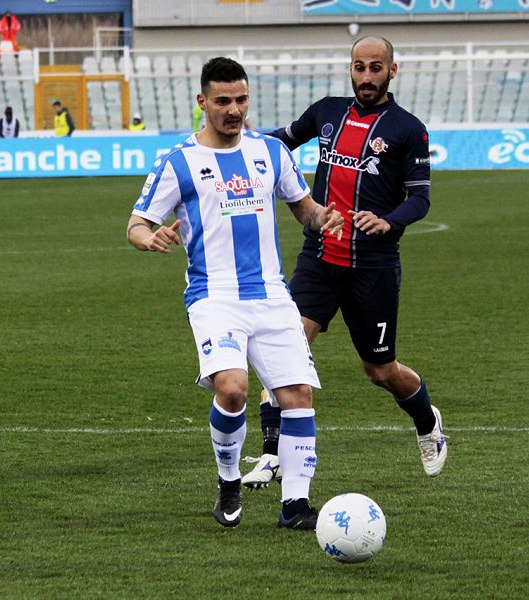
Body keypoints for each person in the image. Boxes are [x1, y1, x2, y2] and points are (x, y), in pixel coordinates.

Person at [126, 57, 344, 530]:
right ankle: (228, 480)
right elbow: (136, 224)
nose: (234, 110)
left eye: (241, 100)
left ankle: (295, 507)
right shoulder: (178, 161)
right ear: (202, 102)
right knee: (232, 387)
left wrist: (322, 217)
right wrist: (150, 238)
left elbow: (304, 208)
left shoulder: (271, 152)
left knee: (298, 394)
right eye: (223, 101)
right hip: (214, 294)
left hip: (271, 293)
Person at [241, 35, 447, 490]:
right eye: (359, 67)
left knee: (380, 370)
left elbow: (420, 198)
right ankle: (273, 454)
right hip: (318, 258)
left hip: (373, 267)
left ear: (392, 71)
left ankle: (426, 420)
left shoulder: (408, 129)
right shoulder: (326, 112)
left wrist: (389, 221)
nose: (366, 76)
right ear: (350, 68)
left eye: (376, 68)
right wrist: (235, 141)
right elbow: (279, 143)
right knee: (284, 350)